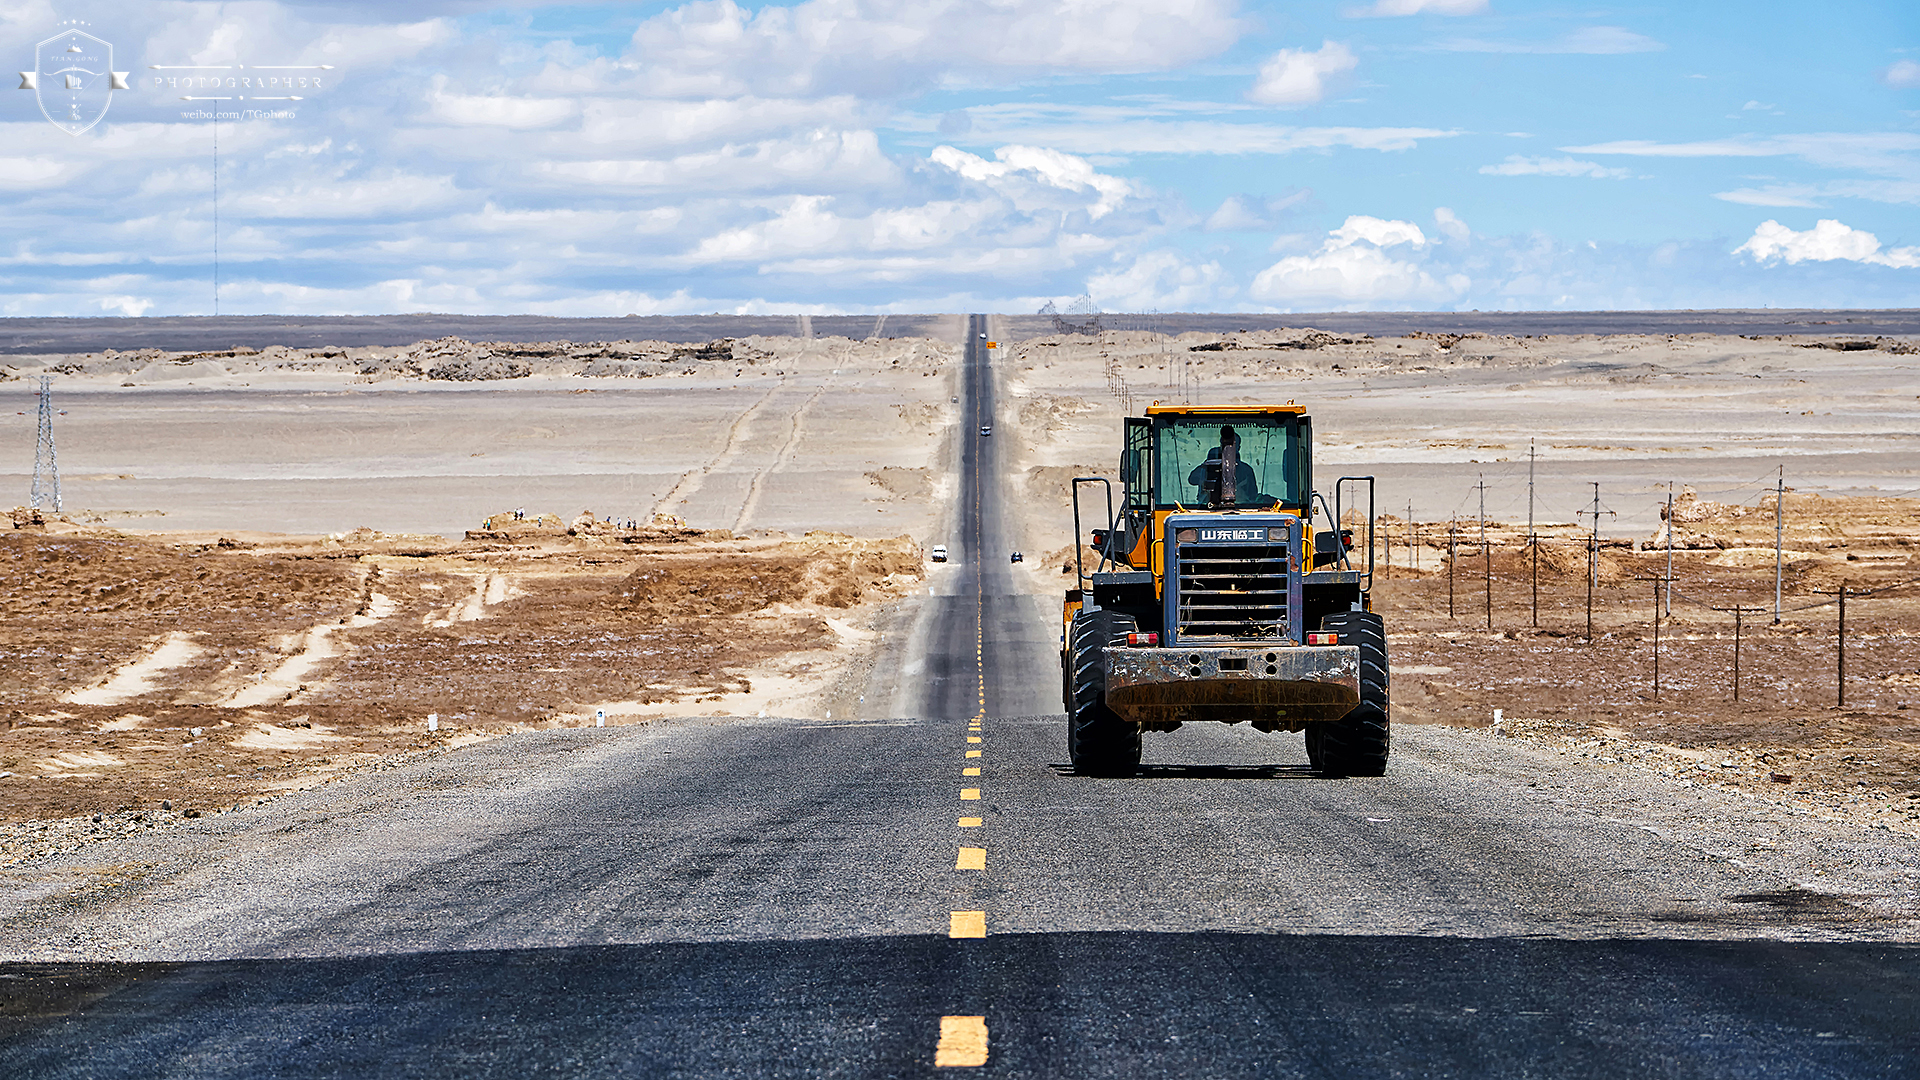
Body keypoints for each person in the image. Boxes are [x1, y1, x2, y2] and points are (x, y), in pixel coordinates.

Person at [1188, 425, 1259, 503]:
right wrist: (1208, 468)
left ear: (1238, 448)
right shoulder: (1207, 466)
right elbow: (1192, 480)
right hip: (1205, 510)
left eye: (1232, 445)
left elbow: (1253, 496)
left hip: (1241, 510)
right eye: (1225, 445)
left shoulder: (1246, 471)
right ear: (1221, 445)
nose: (1229, 449)